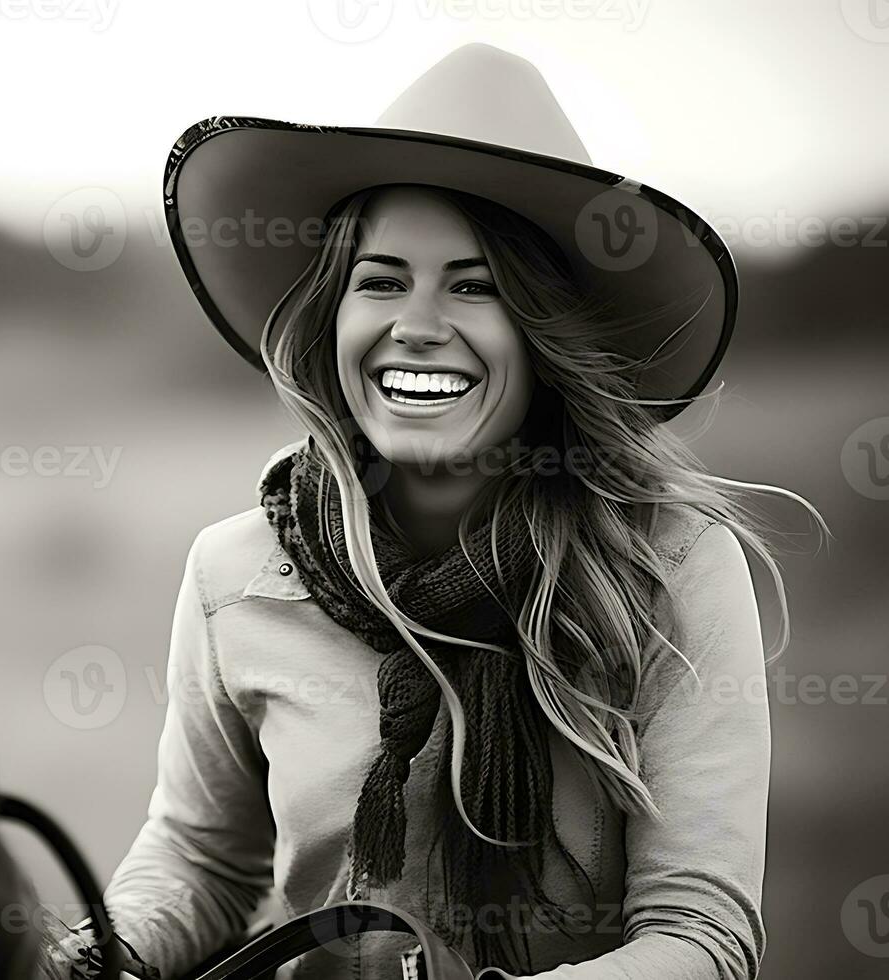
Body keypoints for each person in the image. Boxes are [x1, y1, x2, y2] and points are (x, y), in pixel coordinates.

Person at [41, 43, 825, 980]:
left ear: (543, 330)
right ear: (333, 313)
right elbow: (202, 860)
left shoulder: (672, 563)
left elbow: (701, 934)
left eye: (474, 284)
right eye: (380, 280)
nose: (417, 323)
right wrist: (89, 959)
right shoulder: (233, 572)